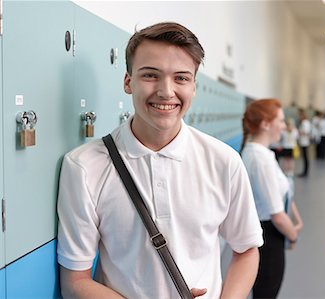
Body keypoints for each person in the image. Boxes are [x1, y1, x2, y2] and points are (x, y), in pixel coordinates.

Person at [57, 22, 264, 299]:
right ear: (128, 82)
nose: (166, 91)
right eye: (151, 75)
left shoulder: (224, 161)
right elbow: (75, 281)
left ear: (193, 86)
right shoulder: (84, 167)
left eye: (181, 78)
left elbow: (247, 248)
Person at [240, 99, 303, 299]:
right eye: (281, 121)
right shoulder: (260, 159)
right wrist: (293, 235)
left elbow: (280, 191)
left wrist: (296, 218)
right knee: (266, 292)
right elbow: (277, 215)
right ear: (266, 124)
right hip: (268, 237)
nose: (284, 126)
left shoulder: (260, 153)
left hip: (266, 232)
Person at [297, 108, 311, 177]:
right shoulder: (304, 122)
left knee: (305, 157)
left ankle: (305, 172)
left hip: (305, 142)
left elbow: (306, 132)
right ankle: (305, 171)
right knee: (304, 157)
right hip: (303, 141)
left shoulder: (305, 123)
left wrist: (298, 132)